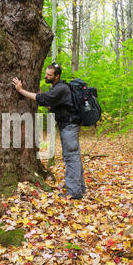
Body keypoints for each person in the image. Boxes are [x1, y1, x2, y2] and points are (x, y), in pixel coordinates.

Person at [12, 63, 86, 200]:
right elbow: (48, 102)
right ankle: (79, 188)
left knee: (71, 157)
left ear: (57, 76)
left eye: (49, 75)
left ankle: (74, 192)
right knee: (73, 156)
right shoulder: (58, 88)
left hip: (69, 126)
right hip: (68, 126)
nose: (46, 76)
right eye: (46, 73)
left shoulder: (61, 88)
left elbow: (42, 99)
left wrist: (20, 90)